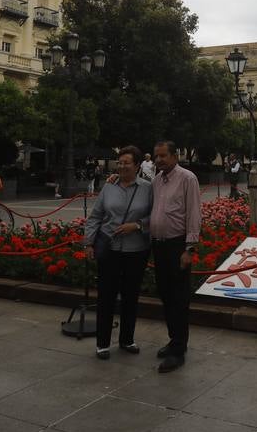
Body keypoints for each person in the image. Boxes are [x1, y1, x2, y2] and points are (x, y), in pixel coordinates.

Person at [83, 145, 152, 359]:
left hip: (136, 250)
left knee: (131, 296)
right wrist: (88, 243)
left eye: (126, 163)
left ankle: (127, 340)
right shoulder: (109, 186)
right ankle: (102, 343)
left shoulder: (148, 188)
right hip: (110, 249)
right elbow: (96, 216)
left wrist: (138, 225)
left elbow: (156, 217)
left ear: (137, 165)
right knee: (106, 296)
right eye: (119, 162)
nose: (121, 166)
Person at [149, 140, 201, 373]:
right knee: (166, 295)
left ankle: (179, 350)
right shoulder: (156, 181)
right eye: (156, 156)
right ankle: (174, 340)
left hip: (177, 246)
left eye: (163, 156)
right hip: (158, 246)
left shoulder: (187, 178)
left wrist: (189, 249)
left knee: (179, 298)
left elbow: (193, 214)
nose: (159, 160)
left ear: (174, 156)